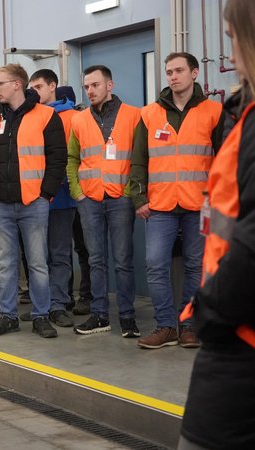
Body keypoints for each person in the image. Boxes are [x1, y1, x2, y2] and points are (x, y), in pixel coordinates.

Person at [181, 1, 255, 446]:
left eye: (232, 38)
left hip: (240, 340)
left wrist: (210, 313)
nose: (230, 55)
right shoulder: (240, 111)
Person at [129, 52, 225, 350]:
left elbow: (225, 158)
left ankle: (189, 326)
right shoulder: (149, 114)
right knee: (156, 265)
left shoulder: (214, 112)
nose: (173, 76)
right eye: (169, 71)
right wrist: (139, 198)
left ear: (194, 73)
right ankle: (166, 326)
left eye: (179, 70)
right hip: (159, 205)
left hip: (200, 204)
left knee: (196, 267)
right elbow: (138, 161)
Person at [0, 63, 67, 339]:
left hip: (33, 202)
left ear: (17, 84)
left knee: (38, 263)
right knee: (5, 263)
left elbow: (57, 158)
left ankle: (40, 315)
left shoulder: (46, 116)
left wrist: (45, 194)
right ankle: (8, 316)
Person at [67, 65, 141, 338]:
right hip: (90, 199)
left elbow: (140, 159)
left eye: (95, 85)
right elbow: (72, 159)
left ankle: (128, 317)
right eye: (86, 86)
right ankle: (99, 316)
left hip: (120, 198)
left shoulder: (134, 116)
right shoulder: (79, 120)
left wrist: (130, 192)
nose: (90, 90)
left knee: (123, 260)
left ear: (109, 85)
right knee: (96, 259)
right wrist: (78, 193)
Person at [27, 69, 78, 327]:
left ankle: (58, 304)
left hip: (61, 199)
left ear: (52, 86)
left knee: (59, 254)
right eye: (31, 87)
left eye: (38, 86)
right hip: (32, 198)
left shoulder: (72, 117)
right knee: (37, 257)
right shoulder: (29, 116)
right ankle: (41, 305)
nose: (34, 91)